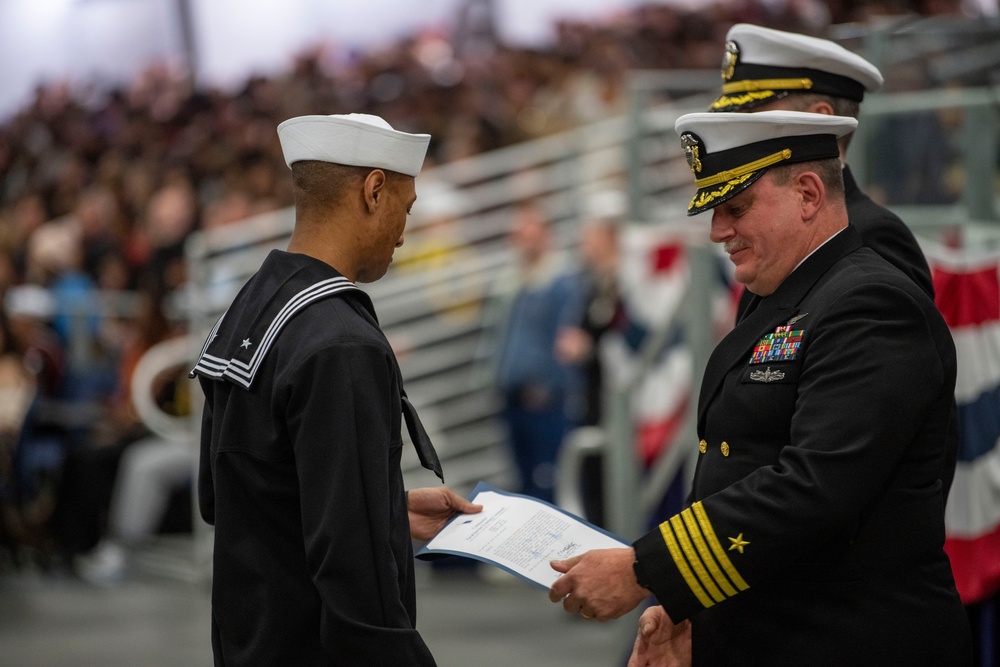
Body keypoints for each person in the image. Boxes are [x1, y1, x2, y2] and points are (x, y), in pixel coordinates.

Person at [547, 110, 973, 666]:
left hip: (853, 639)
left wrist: (648, 570)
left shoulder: (871, 304)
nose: (717, 231)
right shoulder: (786, 294)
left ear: (808, 193)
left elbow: (813, 485)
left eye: (736, 208)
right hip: (779, 629)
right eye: (715, 211)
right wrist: (694, 608)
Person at [190, 113, 481, 666]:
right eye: (406, 207)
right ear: (374, 190)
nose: (402, 232)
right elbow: (358, 587)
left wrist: (385, 510)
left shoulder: (251, 306)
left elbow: (225, 498)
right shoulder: (342, 344)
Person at [713, 24, 935, 307]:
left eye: (754, 117)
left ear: (820, 121)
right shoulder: (769, 244)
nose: (738, 134)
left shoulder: (873, 233)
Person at [486, 198, 585, 504]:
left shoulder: (560, 283)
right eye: (518, 235)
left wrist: (551, 386)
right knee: (525, 482)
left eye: (528, 233)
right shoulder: (514, 283)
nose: (522, 242)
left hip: (545, 403)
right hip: (515, 398)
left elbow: (568, 342)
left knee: (546, 485)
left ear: (545, 234)